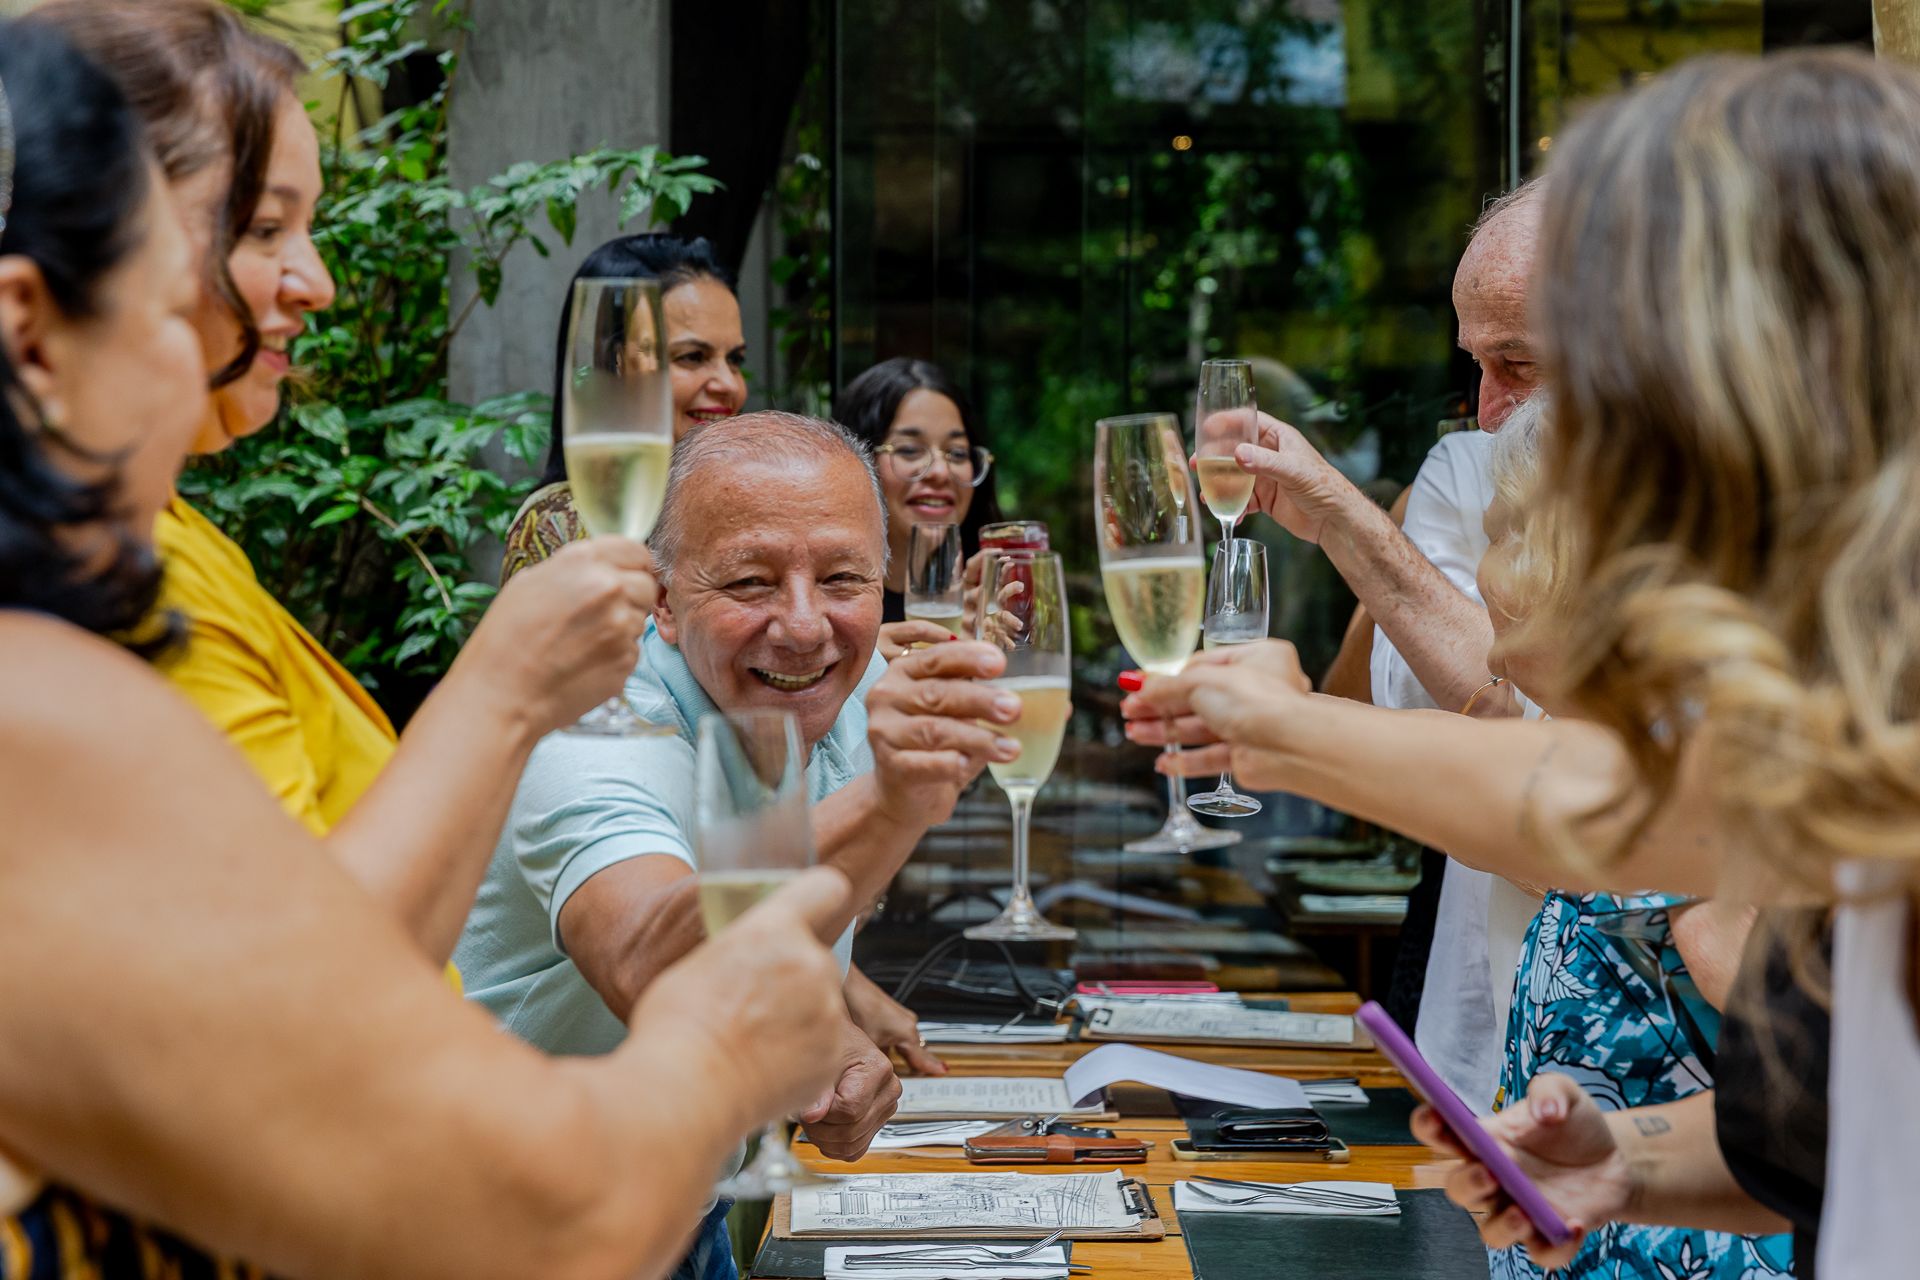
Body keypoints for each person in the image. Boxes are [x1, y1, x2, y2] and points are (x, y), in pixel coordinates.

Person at [0, 22, 851, 1278]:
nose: (310, 283)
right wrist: (731, 1039)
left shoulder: (134, 609)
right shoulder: (50, 705)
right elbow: (522, 1196)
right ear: (32, 327)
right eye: (238, 240)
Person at [1129, 49, 1920, 1279]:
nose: (1531, 430)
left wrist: (1283, 729)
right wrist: (1629, 1159)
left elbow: (1607, 805)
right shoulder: (1844, 661)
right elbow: (1842, 1124)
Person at [29, 0, 656, 975]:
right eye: (263, 226)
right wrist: (504, 689)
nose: (316, 282)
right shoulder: (104, 571)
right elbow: (303, 982)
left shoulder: (171, 526)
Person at [454, 412, 1022, 1168]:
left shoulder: (851, 687)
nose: (801, 625)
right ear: (661, 600)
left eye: (842, 578)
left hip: (686, 1200)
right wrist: (890, 800)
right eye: (750, 581)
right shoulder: (592, 723)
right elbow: (646, 965)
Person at [502, 233, 747, 580]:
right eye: (692, 356)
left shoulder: (748, 509)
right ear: (614, 364)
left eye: (735, 359)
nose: (730, 385)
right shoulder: (561, 526)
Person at [832, 357, 1003, 657]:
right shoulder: (820, 613)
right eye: (909, 450)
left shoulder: (989, 600)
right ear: (856, 461)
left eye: (957, 453)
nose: (940, 471)